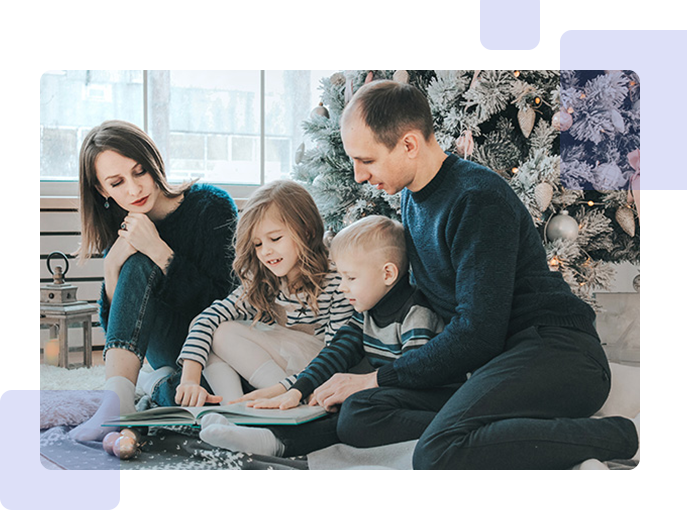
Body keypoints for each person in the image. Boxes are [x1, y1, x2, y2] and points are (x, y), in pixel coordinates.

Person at [332, 79, 640, 469]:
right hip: (493, 364)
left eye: (367, 160)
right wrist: (302, 387)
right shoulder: (412, 201)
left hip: (556, 352)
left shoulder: (477, 199)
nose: (359, 175)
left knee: (437, 454)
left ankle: (623, 436)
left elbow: (477, 333)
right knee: (359, 414)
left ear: (409, 145)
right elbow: (390, 306)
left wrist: (376, 378)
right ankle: (495, 431)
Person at [198, 215, 450, 457]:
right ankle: (264, 436)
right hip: (392, 392)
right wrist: (298, 389)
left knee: (353, 410)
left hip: (431, 398)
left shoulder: (416, 314)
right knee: (336, 400)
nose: (342, 286)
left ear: (387, 274)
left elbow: (412, 375)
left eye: (350, 278)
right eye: (340, 276)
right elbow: (336, 352)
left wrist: (355, 392)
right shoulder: (367, 312)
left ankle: (275, 443)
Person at [69, 120, 238, 442]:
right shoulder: (124, 227)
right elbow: (119, 329)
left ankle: (154, 384)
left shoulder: (211, 206)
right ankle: (116, 402)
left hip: (216, 345)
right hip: (165, 347)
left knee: (203, 395)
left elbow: (225, 302)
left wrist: (160, 252)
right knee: (134, 261)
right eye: (117, 183)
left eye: (139, 172)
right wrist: (112, 265)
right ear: (102, 190)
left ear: (154, 163)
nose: (133, 190)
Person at [174, 180, 354, 412]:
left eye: (275, 239)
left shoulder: (336, 281)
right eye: (258, 244)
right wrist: (189, 379)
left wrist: (287, 388)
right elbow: (206, 319)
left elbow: (336, 355)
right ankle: (233, 409)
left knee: (222, 333)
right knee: (214, 330)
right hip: (279, 372)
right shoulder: (265, 280)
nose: (265, 251)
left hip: (317, 374)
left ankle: (283, 404)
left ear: (307, 231)